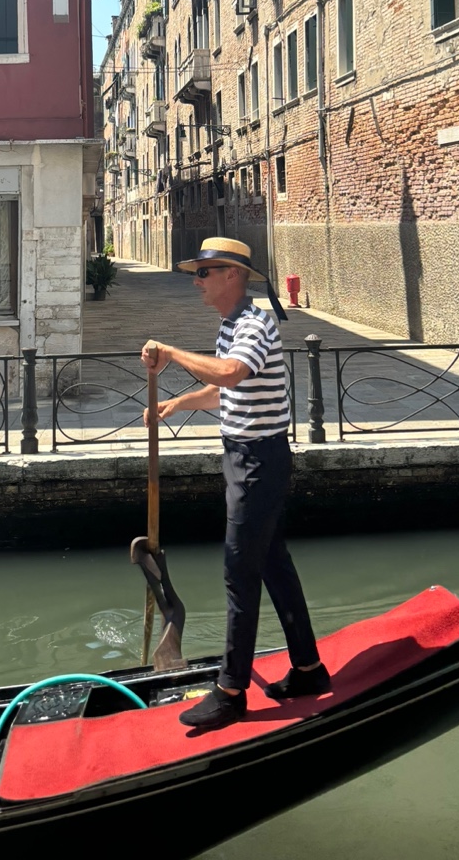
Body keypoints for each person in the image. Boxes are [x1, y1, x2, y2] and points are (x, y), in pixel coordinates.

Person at [141, 237, 329, 732]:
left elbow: (230, 373)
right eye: (197, 273)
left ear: (233, 276)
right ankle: (308, 668)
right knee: (272, 564)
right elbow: (225, 388)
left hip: (259, 462)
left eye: (204, 273)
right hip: (243, 458)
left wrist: (171, 352)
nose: (197, 281)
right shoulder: (231, 324)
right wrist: (177, 404)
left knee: (238, 572)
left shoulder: (255, 323)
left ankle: (230, 692)